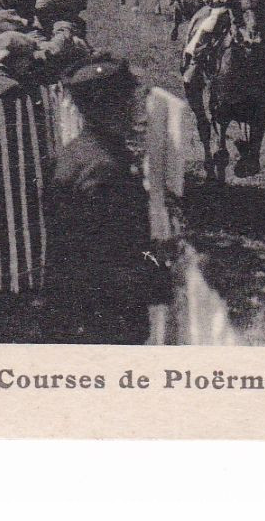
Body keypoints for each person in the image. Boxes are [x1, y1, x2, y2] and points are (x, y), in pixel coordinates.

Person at [41, 56, 169, 344]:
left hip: (75, 307)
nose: (140, 110)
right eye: (132, 101)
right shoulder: (107, 170)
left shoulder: (75, 153)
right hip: (105, 318)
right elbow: (115, 256)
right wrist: (160, 264)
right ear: (112, 106)